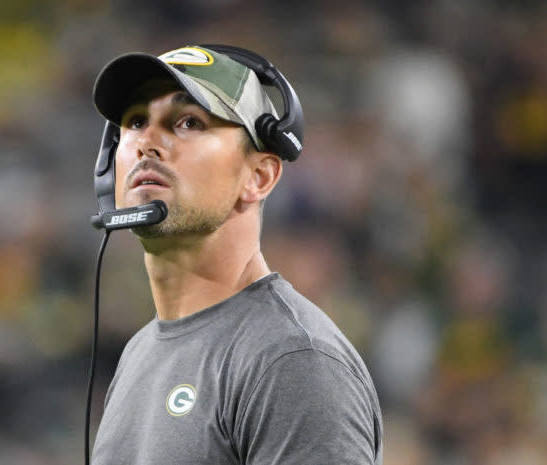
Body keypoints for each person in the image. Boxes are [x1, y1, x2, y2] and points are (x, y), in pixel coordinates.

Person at [89, 45, 383, 464]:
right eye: (135, 121)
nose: (147, 142)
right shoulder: (140, 352)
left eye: (188, 121)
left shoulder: (293, 362)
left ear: (258, 176)